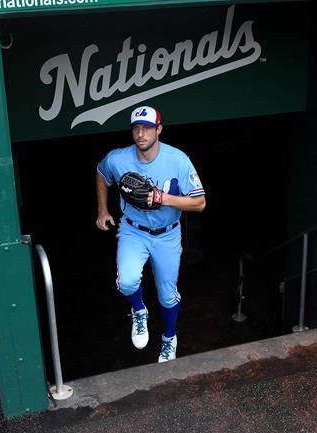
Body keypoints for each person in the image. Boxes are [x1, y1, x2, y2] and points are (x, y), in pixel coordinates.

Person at [95, 106, 206, 363]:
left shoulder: (178, 160)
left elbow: (200, 203)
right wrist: (102, 209)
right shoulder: (118, 159)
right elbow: (101, 173)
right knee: (127, 283)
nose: (140, 134)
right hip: (133, 230)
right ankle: (139, 311)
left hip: (167, 235)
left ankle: (169, 338)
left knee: (167, 295)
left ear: (159, 130)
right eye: (136, 128)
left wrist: (163, 198)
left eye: (146, 128)